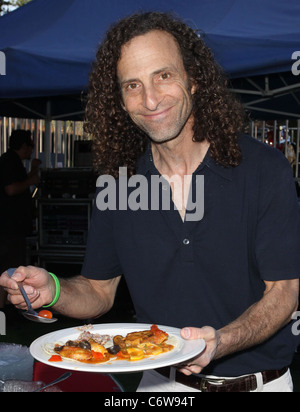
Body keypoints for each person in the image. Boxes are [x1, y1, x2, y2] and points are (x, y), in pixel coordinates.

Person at [1, 12, 300, 392]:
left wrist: (220, 341)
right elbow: (98, 290)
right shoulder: (118, 185)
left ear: (193, 80)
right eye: (132, 85)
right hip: (160, 386)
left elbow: (284, 292)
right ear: (120, 100)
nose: (150, 99)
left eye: (163, 75)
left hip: (262, 385)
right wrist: (54, 290)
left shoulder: (263, 168)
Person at [0, 130, 41, 308]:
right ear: (24, 146)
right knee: (9, 270)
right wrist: (32, 177)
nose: (31, 150)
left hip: (10, 227)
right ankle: (4, 310)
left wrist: (32, 171)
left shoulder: (11, 161)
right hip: (9, 228)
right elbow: (11, 189)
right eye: (30, 146)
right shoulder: (10, 162)